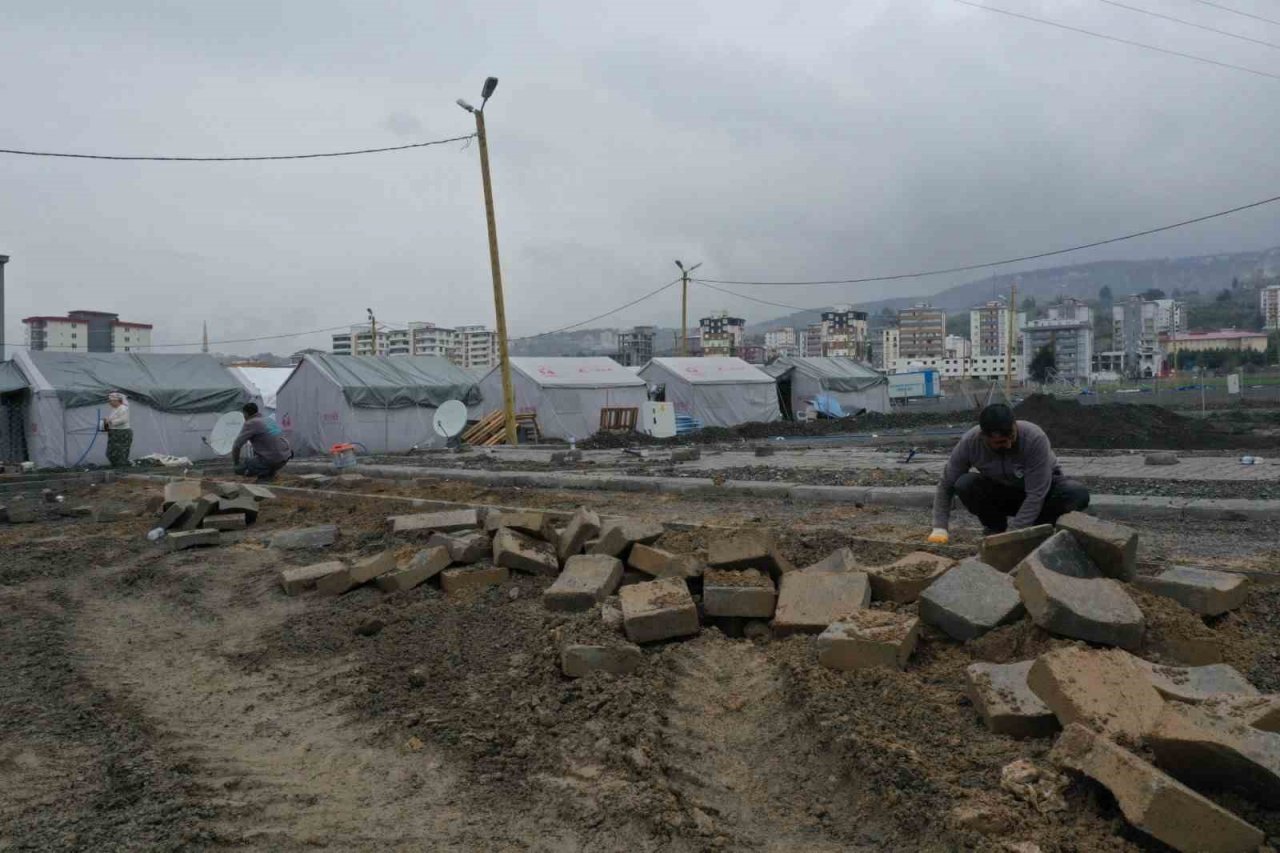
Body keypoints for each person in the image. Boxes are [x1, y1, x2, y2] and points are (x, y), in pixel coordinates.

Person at [928, 403, 1089, 544]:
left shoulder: (1034, 438)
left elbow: (1036, 494)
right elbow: (946, 485)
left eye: (1011, 436)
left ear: (1014, 425)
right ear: (984, 437)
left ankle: (1039, 530)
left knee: (1075, 492)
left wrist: (1013, 535)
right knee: (965, 483)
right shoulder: (970, 443)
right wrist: (940, 528)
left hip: (1041, 494)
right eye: (1000, 442)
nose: (1009, 444)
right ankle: (995, 529)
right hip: (1004, 493)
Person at [231, 402, 292, 482]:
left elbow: (237, 445)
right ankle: (268, 475)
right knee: (261, 457)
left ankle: (265, 475)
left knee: (241, 468)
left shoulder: (251, 423)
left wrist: (236, 463)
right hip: (285, 457)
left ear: (245, 413)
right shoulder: (268, 420)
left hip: (272, 460)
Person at [102, 392, 133, 468]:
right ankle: (115, 466)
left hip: (122, 433)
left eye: (111, 401)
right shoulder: (114, 409)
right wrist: (106, 423)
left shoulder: (123, 408)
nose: (109, 403)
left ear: (116, 401)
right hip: (114, 432)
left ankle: (120, 468)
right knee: (111, 452)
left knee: (120, 451)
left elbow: (123, 420)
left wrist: (110, 421)